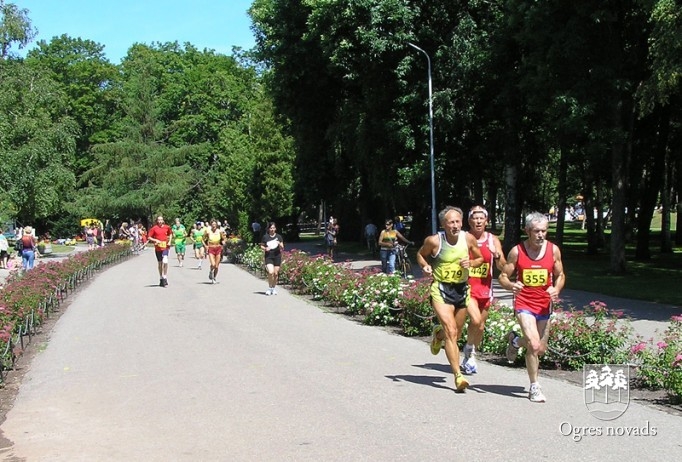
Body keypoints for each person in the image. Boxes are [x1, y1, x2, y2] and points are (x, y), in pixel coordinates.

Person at [498, 211, 566, 403]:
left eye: (544, 231)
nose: (540, 235)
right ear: (527, 231)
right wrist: (512, 285)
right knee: (534, 345)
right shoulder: (517, 252)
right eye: (536, 231)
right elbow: (503, 276)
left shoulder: (553, 250)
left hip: (544, 304)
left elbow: (560, 275)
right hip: (524, 303)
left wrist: (556, 288)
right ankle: (534, 387)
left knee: (540, 349)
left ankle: (515, 341)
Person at [416, 206, 484, 392]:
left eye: (457, 222)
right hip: (441, 289)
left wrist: (471, 262)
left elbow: (480, 259)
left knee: (457, 332)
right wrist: (425, 266)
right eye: (451, 222)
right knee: (452, 331)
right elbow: (420, 255)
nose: (455, 225)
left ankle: (438, 335)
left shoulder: (468, 239)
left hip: (461, 289)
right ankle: (458, 376)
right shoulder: (434, 241)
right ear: (443, 224)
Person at [460, 205, 507, 375]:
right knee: (476, 320)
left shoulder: (492, 240)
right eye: (475, 218)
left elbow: (504, 267)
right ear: (469, 221)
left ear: (486, 221)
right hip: (466, 288)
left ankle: (469, 351)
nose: (478, 221)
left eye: (482, 218)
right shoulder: (463, 238)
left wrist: (497, 255)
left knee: (479, 327)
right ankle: (470, 355)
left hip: (486, 290)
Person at [147, 215, 172, 287]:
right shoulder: (154, 228)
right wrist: (155, 240)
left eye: (161, 220)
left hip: (165, 247)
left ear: (163, 220)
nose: (160, 221)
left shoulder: (167, 227)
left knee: (165, 261)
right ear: (157, 221)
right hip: (158, 248)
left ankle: (165, 276)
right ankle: (161, 277)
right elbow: (149, 237)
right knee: (160, 263)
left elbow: (170, 234)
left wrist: (169, 241)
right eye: (159, 220)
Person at [260, 222, 284, 295]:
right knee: (271, 272)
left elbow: (282, 247)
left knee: (276, 274)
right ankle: (269, 288)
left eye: (273, 228)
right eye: (271, 228)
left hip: (277, 256)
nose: (272, 229)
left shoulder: (279, 237)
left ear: (275, 228)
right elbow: (261, 246)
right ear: (268, 229)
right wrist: (265, 248)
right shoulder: (265, 237)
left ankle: (273, 288)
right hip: (269, 256)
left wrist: (279, 243)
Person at [203, 219, 226, 284]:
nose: (214, 226)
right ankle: (211, 271)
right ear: (211, 225)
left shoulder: (220, 231)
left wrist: (223, 242)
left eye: (215, 225)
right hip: (211, 248)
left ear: (216, 225)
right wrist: (205, 246)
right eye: (213, 224)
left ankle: (214, 278)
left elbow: (224, 238)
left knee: (216, 266)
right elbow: (203, 239)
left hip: (218, 248)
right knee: (213, 264)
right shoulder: (208, 232)